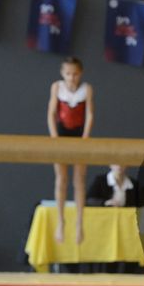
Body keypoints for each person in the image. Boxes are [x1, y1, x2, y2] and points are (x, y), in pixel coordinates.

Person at [46, 57, 94, 244]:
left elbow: (90, 115)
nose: (71, 77)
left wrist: (85, 139)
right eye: (68, 74)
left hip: (79, 136)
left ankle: (79, 223)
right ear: (62, 73)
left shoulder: (86, 89)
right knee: (61, 180)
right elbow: (51, 113)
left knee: (79, 180)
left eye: (75, 74)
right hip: (61, 135)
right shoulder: (57, 87)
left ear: (80, 73)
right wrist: (54, 138)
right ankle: (61, 221)